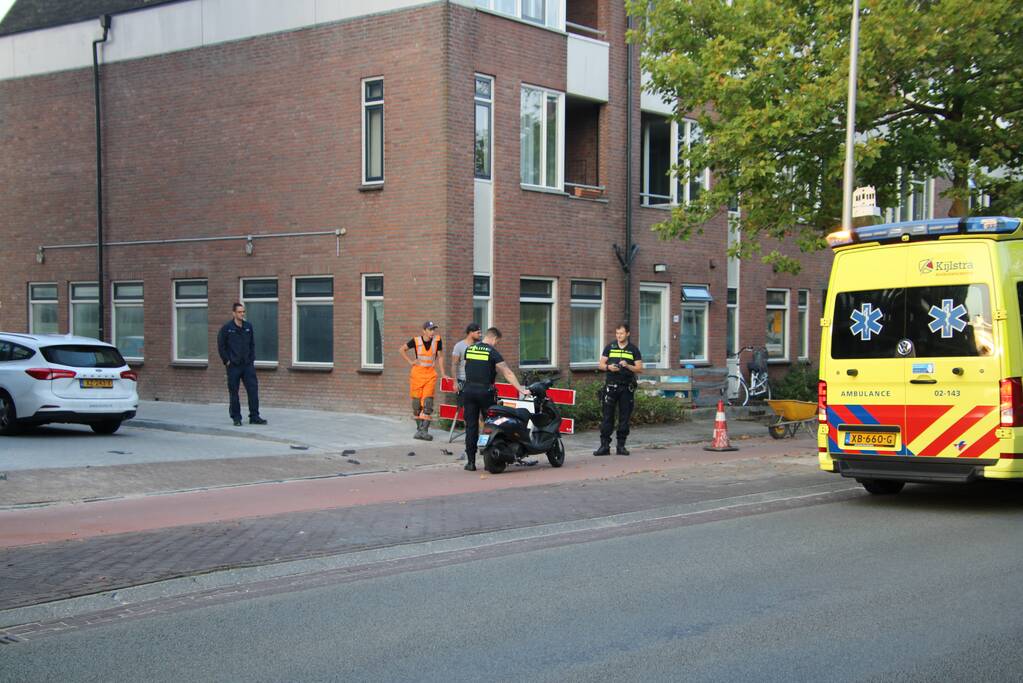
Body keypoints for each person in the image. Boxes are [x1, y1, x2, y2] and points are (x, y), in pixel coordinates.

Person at [460, 327, 529, 472]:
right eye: (497, 342)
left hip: (468, 391)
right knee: (491, 425)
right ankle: (489, 460)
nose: (496, 344)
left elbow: (467, 367)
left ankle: (471, 462)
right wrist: (521, 389)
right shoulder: (492, 352)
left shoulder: (470, 349)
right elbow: (507, 372)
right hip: (485, 392)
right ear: (494, 338)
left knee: (471, 427)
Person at [594, 323, 643, 456]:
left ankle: (621, 446)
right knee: (607, 417)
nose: (618, 336)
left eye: (621, 333)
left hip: (626, 388)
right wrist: (609, 367)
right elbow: (601, 365)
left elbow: (639, 369)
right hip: (611, 386)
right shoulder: (610, 347)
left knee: (624, 417)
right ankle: (604, 446)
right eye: (617, 333)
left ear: (627, 334)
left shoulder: (633, 349)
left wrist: (627, 366)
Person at [216, 303, 267, 427]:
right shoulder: (227, 328)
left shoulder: (248, 327)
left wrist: (251, 359)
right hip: (233, 366)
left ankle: (254, 416)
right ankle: (236, 418)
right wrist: (227, 361)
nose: (242, 314)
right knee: (234, 392)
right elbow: (221, 346)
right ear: (234, 313)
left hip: (247, 365)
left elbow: (252, 344)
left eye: (243, 312)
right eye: (239, 312)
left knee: (253, 390)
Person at [399, 321, 450, 441]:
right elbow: (401, 349)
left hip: (430, 375)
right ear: (424, 331)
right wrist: (410, 362)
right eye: (430, 329)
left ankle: (424, 431)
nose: (432, 332)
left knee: (428, 403)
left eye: (433, 329)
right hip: (417, 375)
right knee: (416, 404)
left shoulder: (437, 340)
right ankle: (419, 430)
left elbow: (440, 357)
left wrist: (443, 373)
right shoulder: (416, 340)